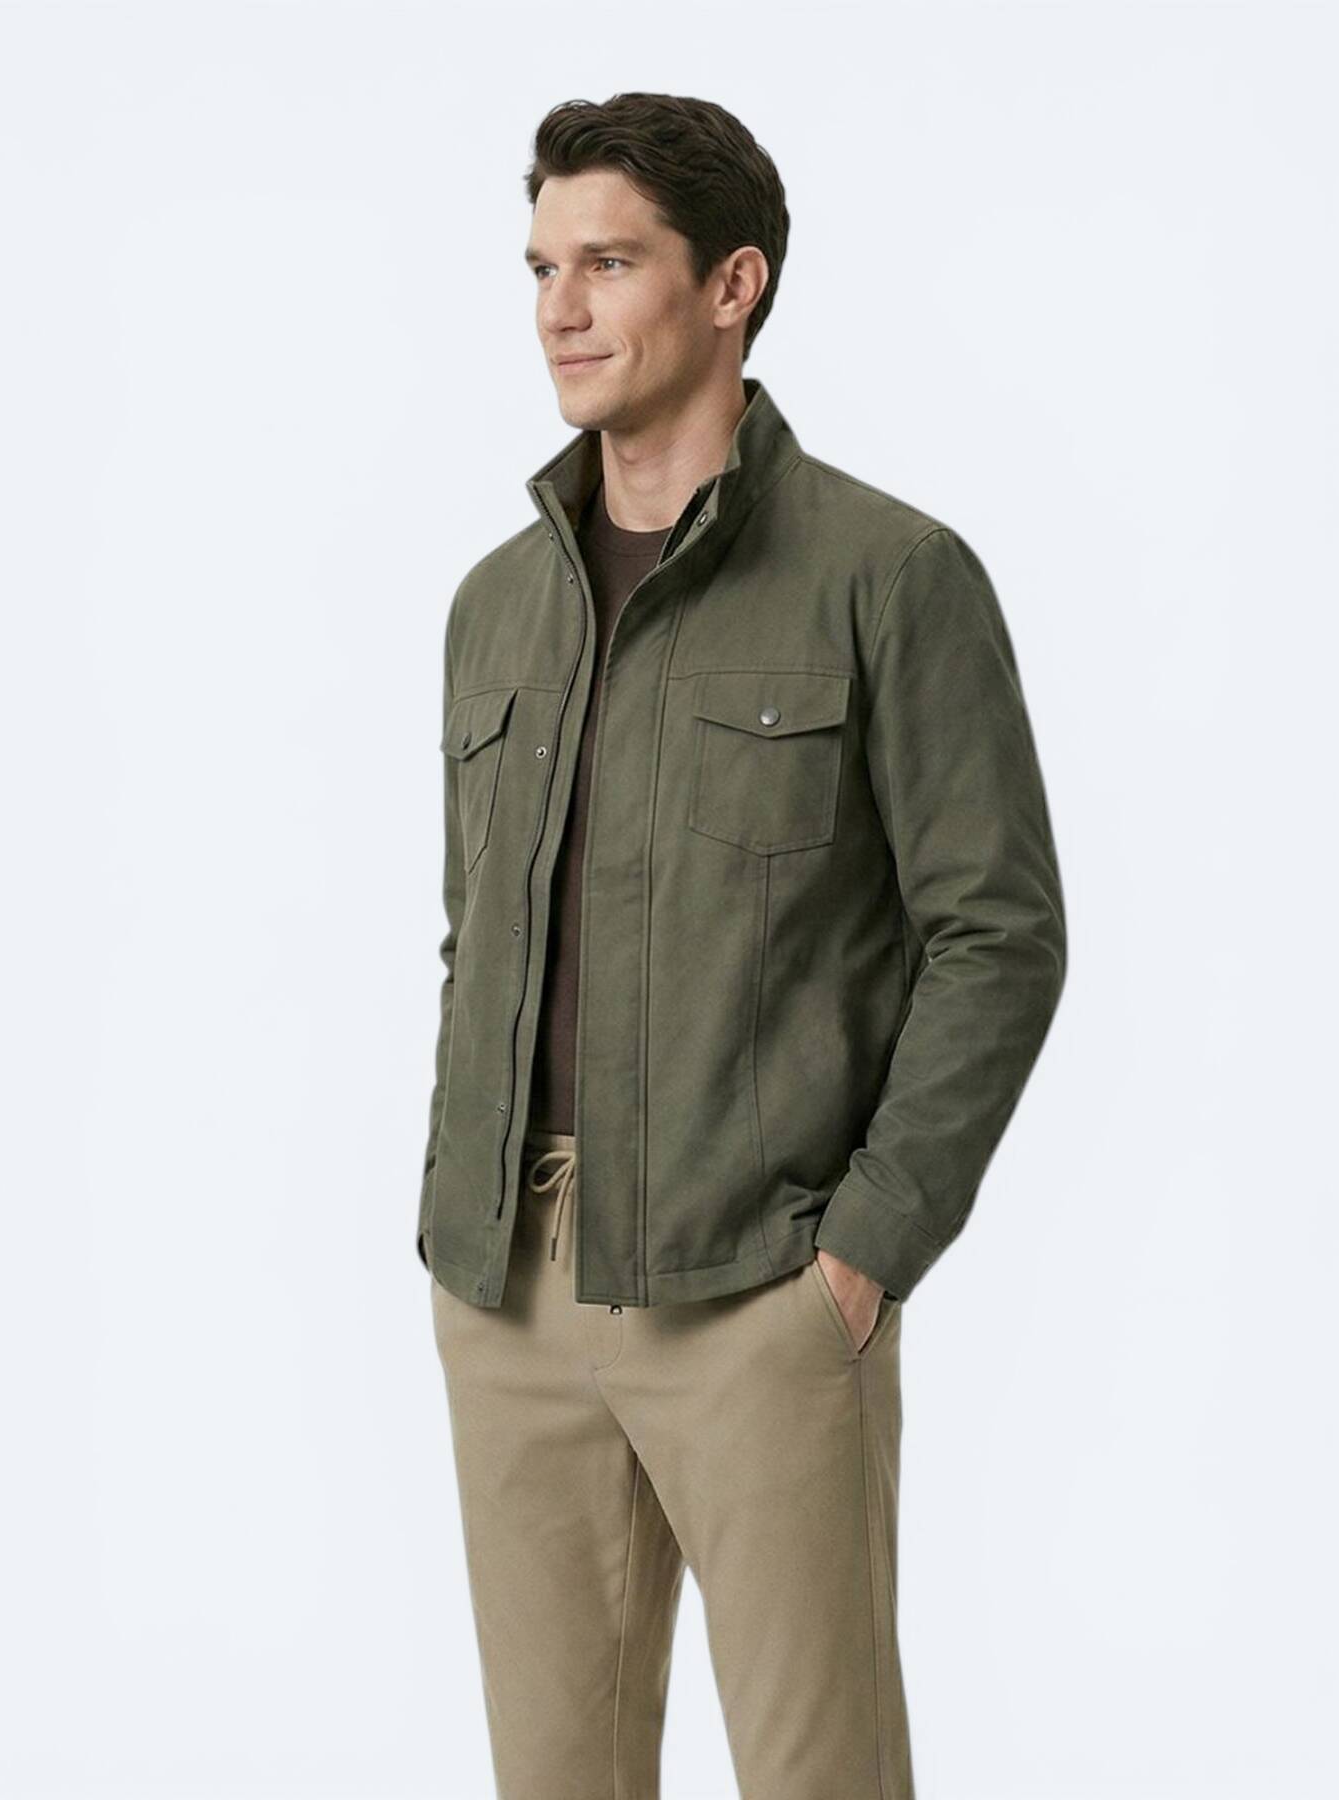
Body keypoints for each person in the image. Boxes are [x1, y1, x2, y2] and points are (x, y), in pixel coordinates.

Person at [416, 90, 1066, 1800]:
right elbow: (477, 936)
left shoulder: (888, 576)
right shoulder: (497, 605)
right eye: (541, 267)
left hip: (759, 1289)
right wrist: (460, 1225)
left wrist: (861, 1252)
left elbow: (997, 935)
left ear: (731, 284)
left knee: (817, 1778)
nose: (560, 309)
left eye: (607, 262)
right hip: (507, 1289)